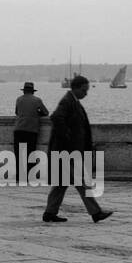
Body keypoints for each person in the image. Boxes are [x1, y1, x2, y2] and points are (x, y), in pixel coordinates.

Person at [43, 76, 113, 224]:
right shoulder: (68, 101)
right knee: (81, 182)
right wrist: (67, 139)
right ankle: (96, 212)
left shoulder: (73, 101)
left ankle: (50, 212)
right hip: (67, 152)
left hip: (67, 151)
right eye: (84, 90)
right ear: (76, 88)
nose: (85, 93)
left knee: (61, 184)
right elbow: (56, 117)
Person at [13, 81, 48, 157]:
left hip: (18, 130)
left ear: (24, 91)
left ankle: (20, 169)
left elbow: (17, 112)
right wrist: (37, 113)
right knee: (30, 156)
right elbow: (46, 112)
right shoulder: (37, 100)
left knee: (19, 156)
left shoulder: (18, 99)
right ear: (33, 92)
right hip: (31, 131)